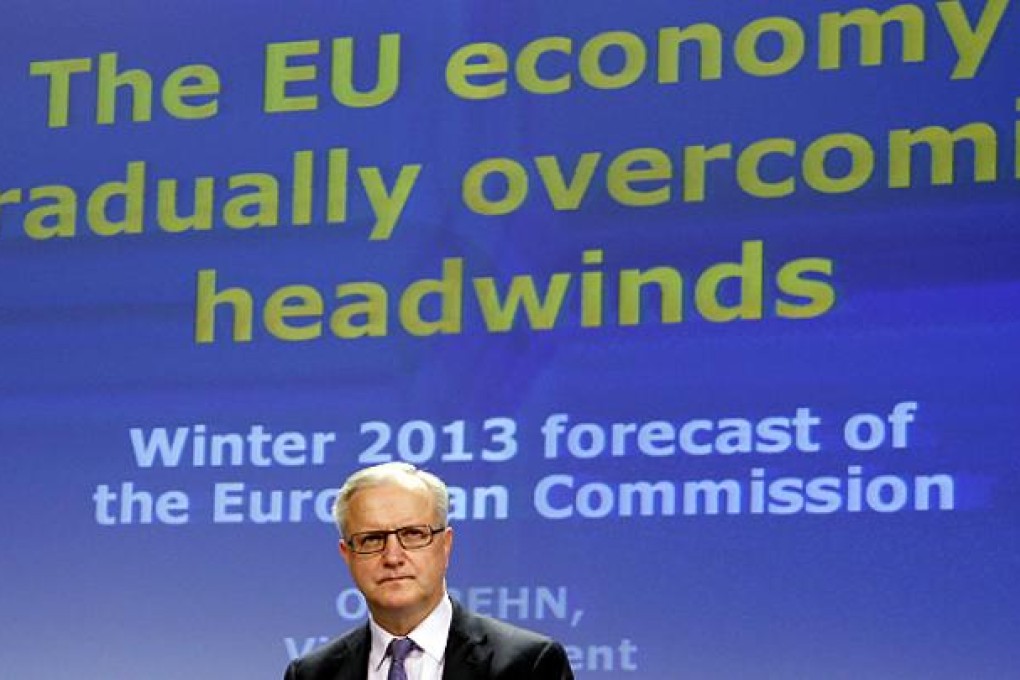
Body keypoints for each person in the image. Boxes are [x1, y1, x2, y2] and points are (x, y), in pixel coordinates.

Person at [284, 461, 575, 680]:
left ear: (445, 545)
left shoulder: (528, 665)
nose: (393, 557)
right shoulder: (310, 675)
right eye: (372, 539)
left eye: (413, 534)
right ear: (347, 555)